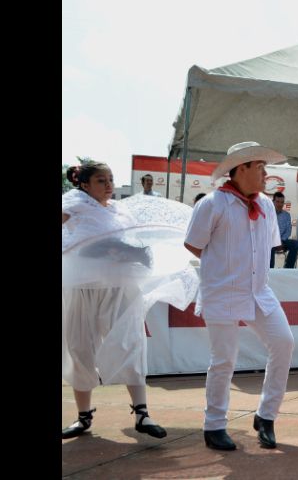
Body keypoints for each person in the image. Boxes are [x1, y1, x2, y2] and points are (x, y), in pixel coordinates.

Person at [62, 161, 197, 440]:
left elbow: (132, 244)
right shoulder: (73, 203)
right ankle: (83, 418)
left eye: (111, 179)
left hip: (119, 288)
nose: (109, 184)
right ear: (84, 184)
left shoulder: (121, 212)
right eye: (101, 180)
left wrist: (130, 252)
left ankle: (142, 414)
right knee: (79, 348)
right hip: (82, 289)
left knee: (131, 342)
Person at [184, 142, 295, 451]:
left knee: (284, 343)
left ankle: (266, 416)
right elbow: (194, 244)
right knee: (224, 361)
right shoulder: (212, 203)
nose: (266, 174)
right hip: (222, 292)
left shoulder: (268, 205)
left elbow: (269, 245)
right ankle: (214, 425)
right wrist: (222, 265)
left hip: (260, 291)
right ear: (242, 167)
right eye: (260, 167)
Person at [269, 191, 298, 269]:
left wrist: (281, 241)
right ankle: (270, 270)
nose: (280, 204)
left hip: (282, 240)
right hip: (270, 240)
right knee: (270, 245)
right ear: (273, 202)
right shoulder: (267, 214)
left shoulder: (286, 215)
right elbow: (265, 231)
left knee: (295, 244)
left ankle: (288, 268)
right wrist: (275, 241)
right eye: (277, 202)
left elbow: (288, 230)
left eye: (282, 202)